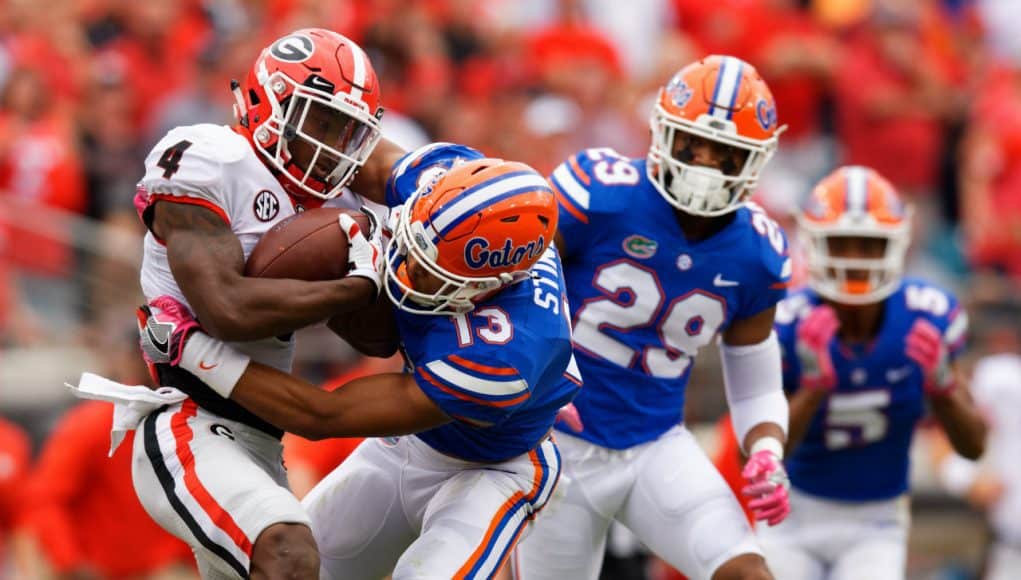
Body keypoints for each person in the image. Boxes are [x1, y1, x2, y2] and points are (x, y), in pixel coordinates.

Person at [91, 146, 580, 579]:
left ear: (491, 284)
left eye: (429, 273)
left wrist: (195, 351)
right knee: (299, 566)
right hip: (406, 445)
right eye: (408, 245)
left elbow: (324, 416)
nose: (403, 270)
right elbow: (352, 155)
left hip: (494, 468)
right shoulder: (450, 179)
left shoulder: (509, 355)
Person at [124, 27, 406, 578]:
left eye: (348, 132)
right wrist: (356, 285)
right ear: (267, 100)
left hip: (263, 438)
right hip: (188, 421)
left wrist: (375, 275)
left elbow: (378, 340)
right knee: (287, 552)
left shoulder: (323, 210)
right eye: (322, 121)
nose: (332, 145)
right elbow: (225, 308)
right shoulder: (212, 157)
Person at [514, 55, 792, 580]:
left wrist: (767, 451)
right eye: (694, 143)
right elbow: (510, 283)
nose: (705, 164)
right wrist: (527, 385)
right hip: (558, 444)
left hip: (655, 446)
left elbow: (755, 379)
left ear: (755, 160)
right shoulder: (599, 192)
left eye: (725, 153)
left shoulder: (757, 252)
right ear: (663, 131)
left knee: (748, 572)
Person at [757, 165, 987, 580]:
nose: (854, 260)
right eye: (842, 243)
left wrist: (943, 386)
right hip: (790, 513)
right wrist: (812, 388)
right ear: (813, 242)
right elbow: (755, 455)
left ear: (897, 244)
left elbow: (974, 447)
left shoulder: (927, 317)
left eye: (868, 244)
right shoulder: (787, 324)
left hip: (876, 522)